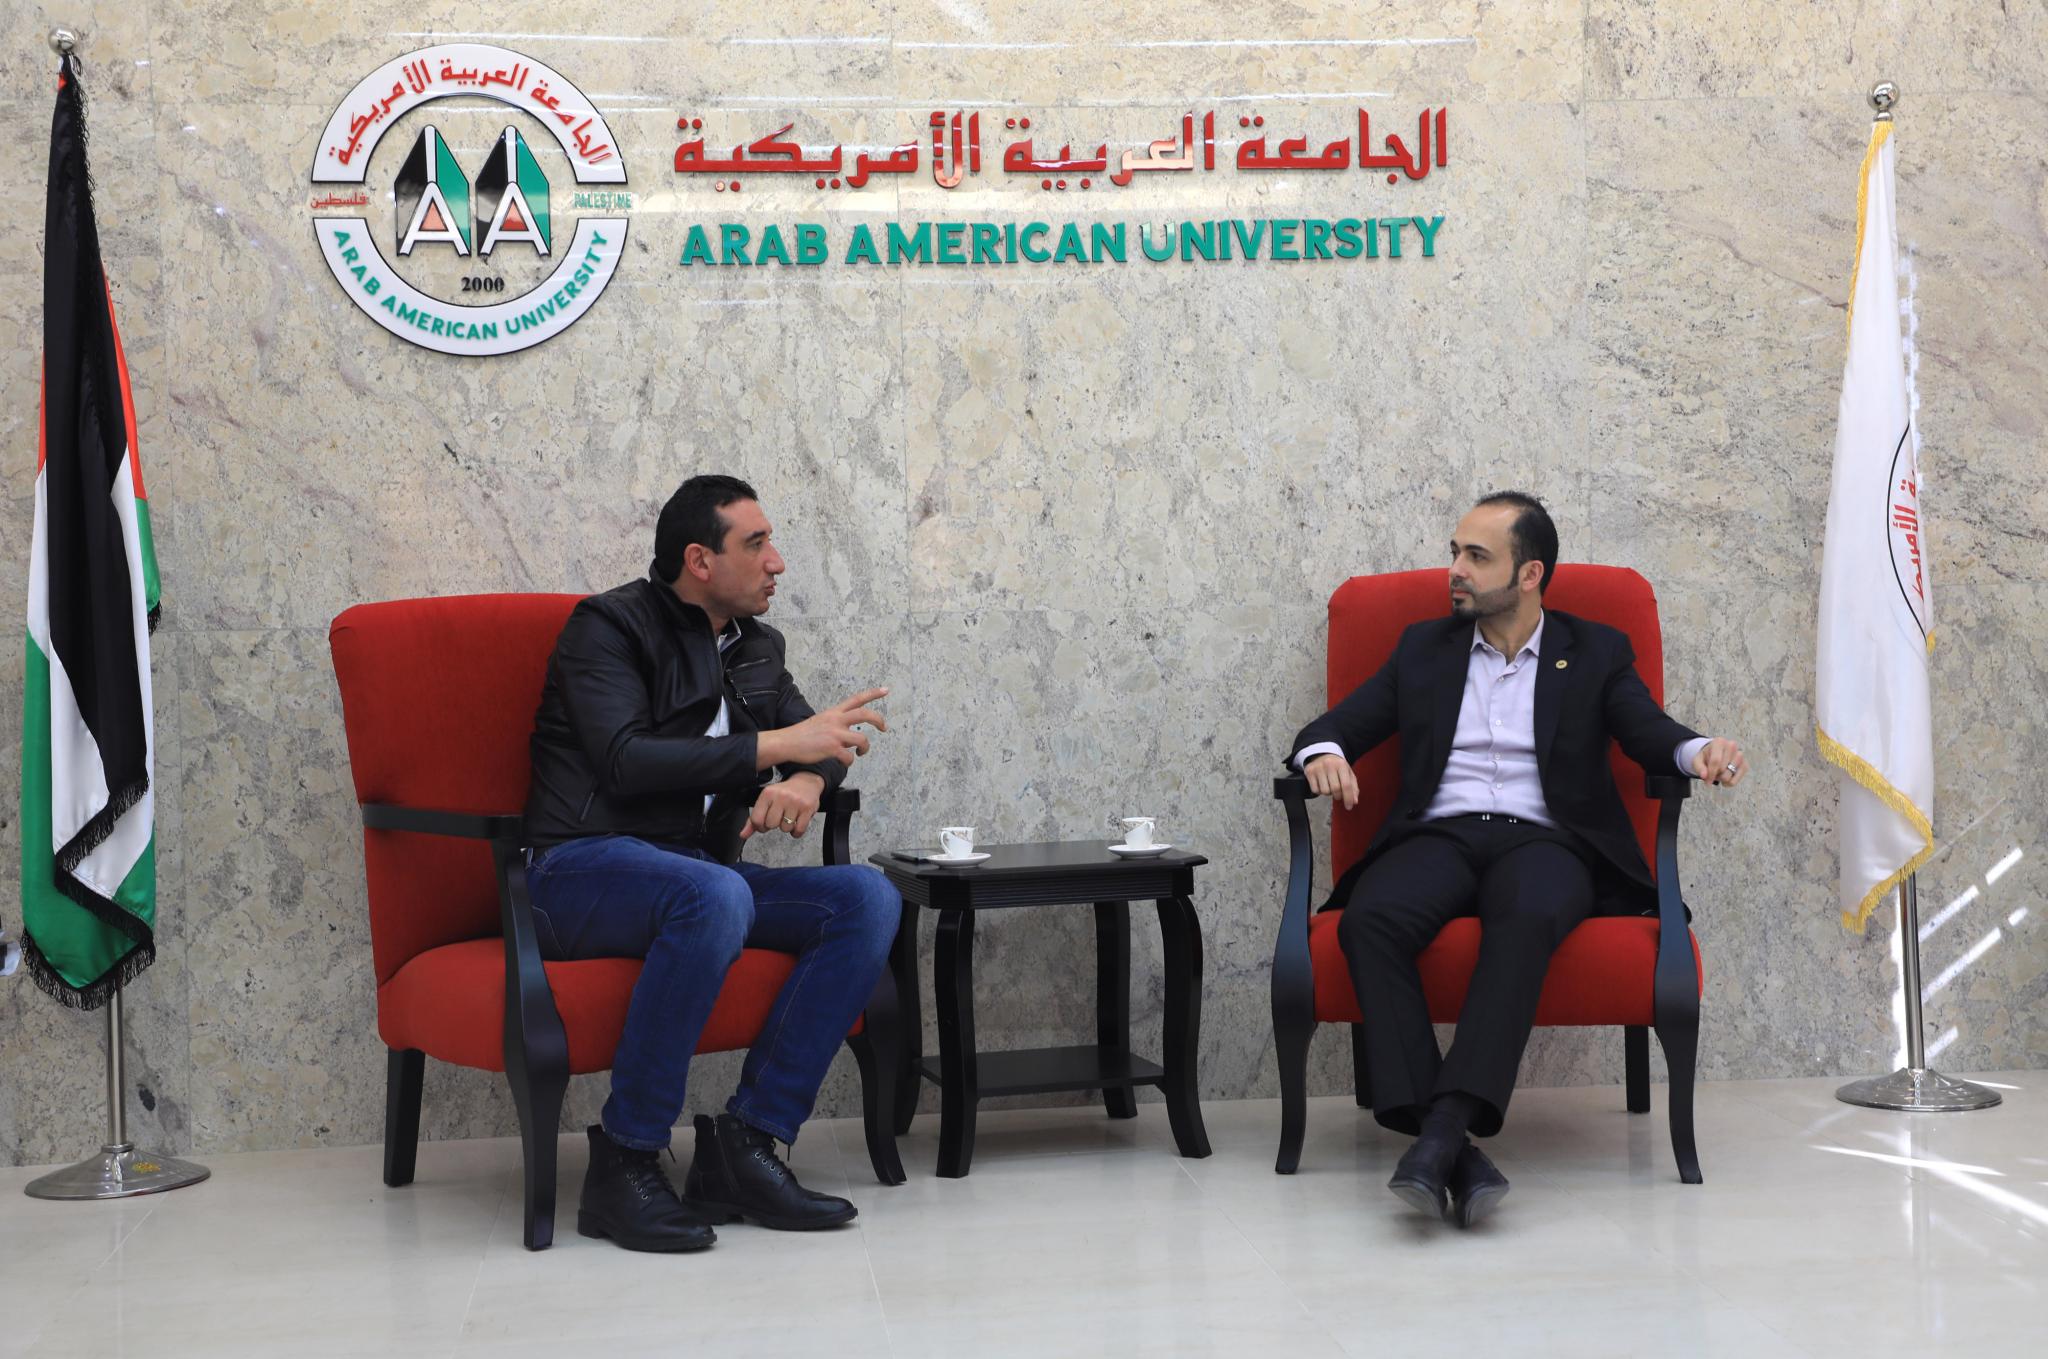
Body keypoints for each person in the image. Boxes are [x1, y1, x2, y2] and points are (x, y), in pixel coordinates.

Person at [1287, 491, 1746, 1228]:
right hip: (1439, 835)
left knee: (1528, 911)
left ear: (1530, 572)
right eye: (1455, 552)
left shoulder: (1593, 649)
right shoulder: (1423, 648)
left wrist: (1701, 753)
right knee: (1369, 918)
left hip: (1548, 840)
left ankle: (1438, 1134)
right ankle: (1453, 1146)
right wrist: (1327, 755)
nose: (1456, 571)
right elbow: (1334, 725)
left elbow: (1647, 730)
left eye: (1477, 556)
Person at [523, 474, 900, 1253]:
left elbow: (819, 739)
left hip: (700, 877)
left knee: (866, 896)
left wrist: (803, 776)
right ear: (699, 558)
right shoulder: (607, 628)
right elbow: (624, 762)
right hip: (576, 872)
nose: (778, 563)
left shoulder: (756, 648)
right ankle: (625, 1161)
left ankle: (748, 1146)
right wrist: (776, 748)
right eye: (756, 544)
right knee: (714, 892)